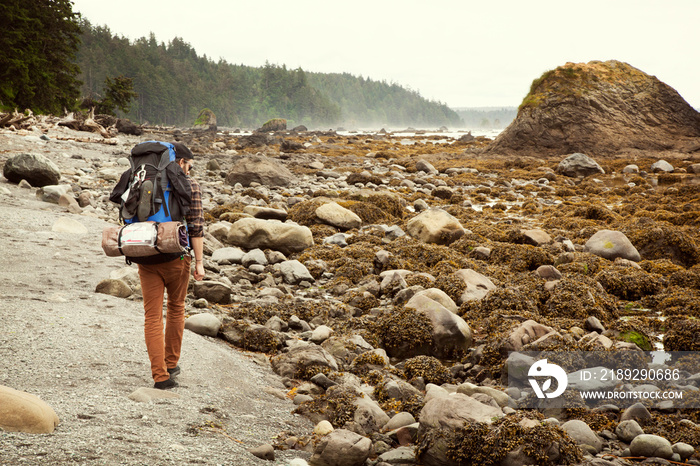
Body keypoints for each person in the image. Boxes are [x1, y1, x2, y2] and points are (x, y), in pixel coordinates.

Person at [134, 142, 205, 389]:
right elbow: (196, 227)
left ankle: (160, 377)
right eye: (190, 166)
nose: (190, 171)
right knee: (176, 307)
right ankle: (171, 364)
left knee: (152, 317)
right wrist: (200, 263)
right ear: (182, 162)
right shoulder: (190, 185)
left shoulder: (141, 178)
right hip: (176, 257)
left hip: (145, 254)